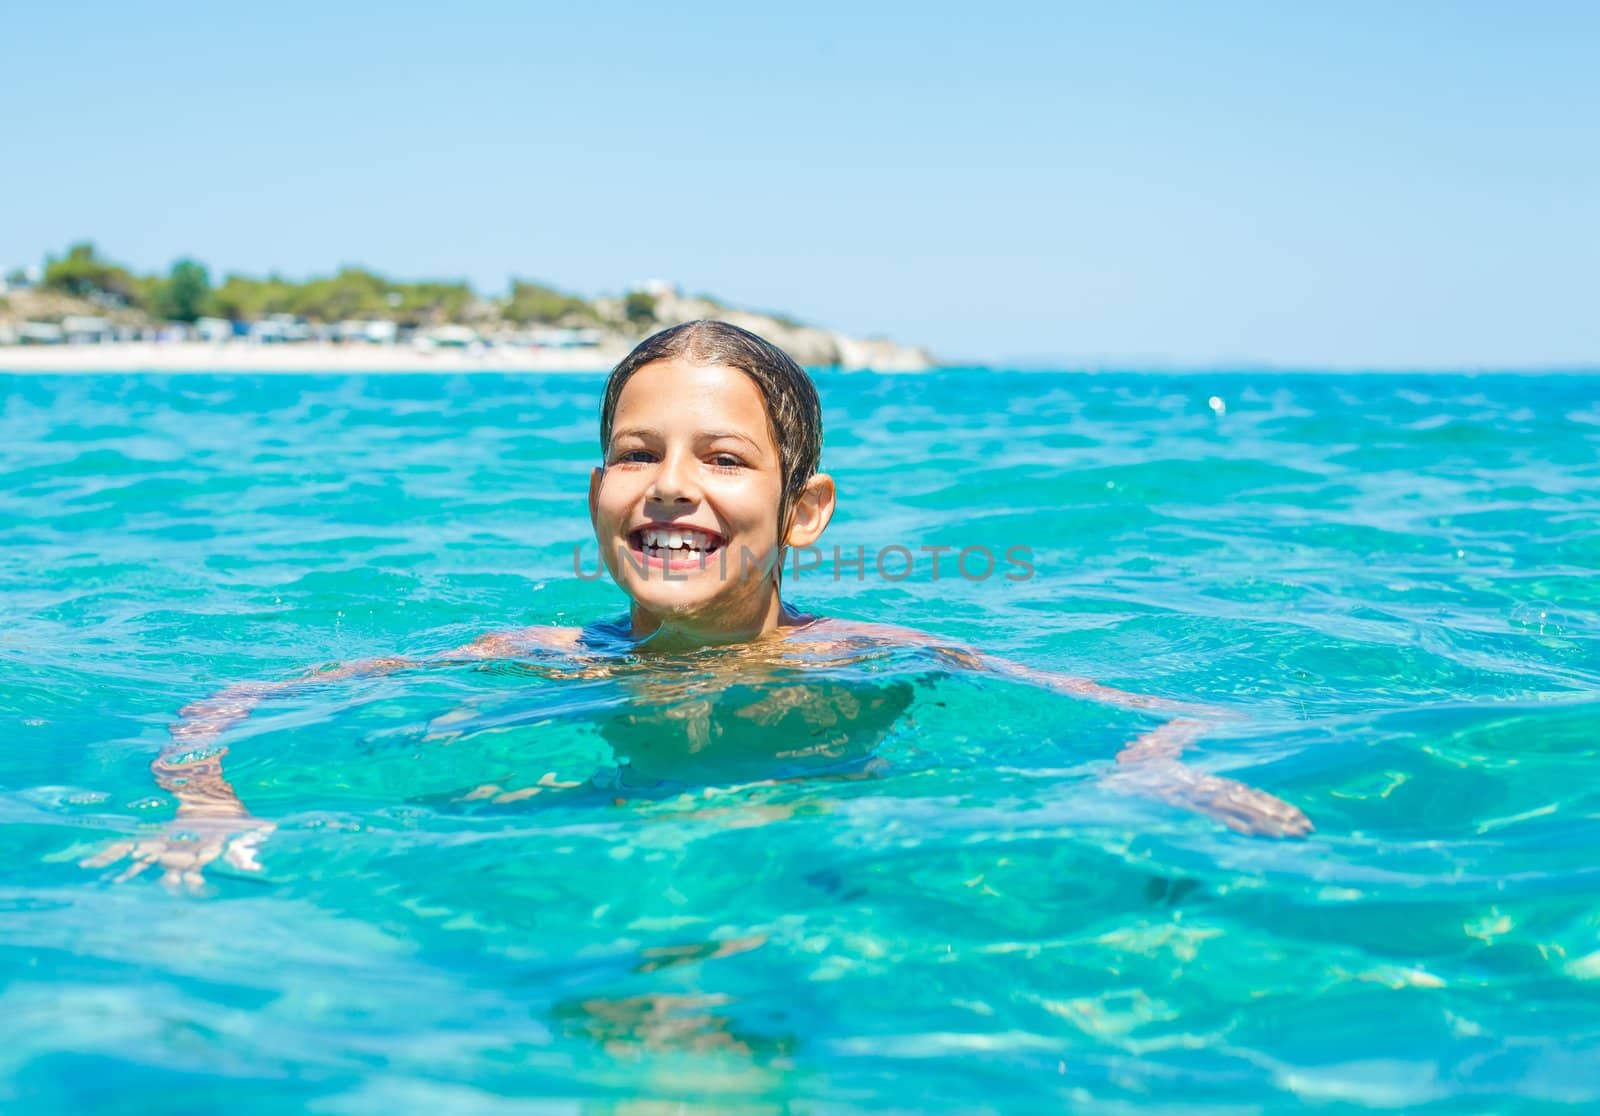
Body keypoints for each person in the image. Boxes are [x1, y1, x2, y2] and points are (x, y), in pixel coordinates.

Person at [87, 321, 1311, 890]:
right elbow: (228, 700)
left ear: (807, 508)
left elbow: (1158, 711)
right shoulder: (534, 657)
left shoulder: (880, 654)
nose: (672, 488)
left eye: (723, 460)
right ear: (596, 491)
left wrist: (1151, 773)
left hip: (827, 876)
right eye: (638, 453)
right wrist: (205, 808)